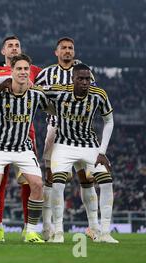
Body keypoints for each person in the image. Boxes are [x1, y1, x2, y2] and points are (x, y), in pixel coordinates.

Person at [44, 63, 118, 243]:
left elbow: (109, 122)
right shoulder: (58, 91)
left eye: (87, 79)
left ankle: (105, 232)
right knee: (58, 183)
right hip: (63, 144)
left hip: (90, 146)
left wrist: (102, 152)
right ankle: (59, 231)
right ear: (73, 79)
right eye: (81, 79)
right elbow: (36, 92)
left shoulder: (99, 95)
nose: (85, 82)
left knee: (106, 181)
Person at [34, 37, 98, 241]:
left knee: (87, 179)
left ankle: (94, 227)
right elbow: (35, 96)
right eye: (64, 48)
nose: (68, 51)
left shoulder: (85, 73)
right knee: (51, 179)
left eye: (71, 48)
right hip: (56, 130)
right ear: (56, 52)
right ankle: (47, 226)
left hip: (82, 131)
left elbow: (92, 99)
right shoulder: (47, 74)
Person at [0, 53, 51, 243]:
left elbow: (52, 108)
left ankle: (30, 231)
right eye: (19, 69)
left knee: (38, 185)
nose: (23, 72)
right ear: (11, 71)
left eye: (25, 69)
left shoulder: (36, 95)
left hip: (23, 148)